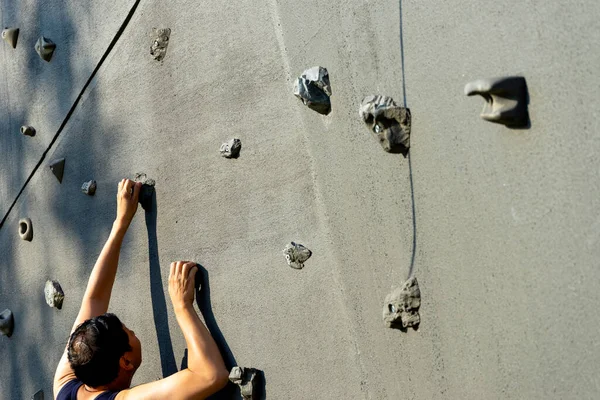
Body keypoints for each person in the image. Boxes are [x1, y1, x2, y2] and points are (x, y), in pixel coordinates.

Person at [53, 179, 229, 400]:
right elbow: (210, 375)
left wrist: (121, 223)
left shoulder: (65, 387)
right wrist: (182, 306)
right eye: (130, 333)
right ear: (125, 361)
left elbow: (95, 298)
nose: (133, 332)